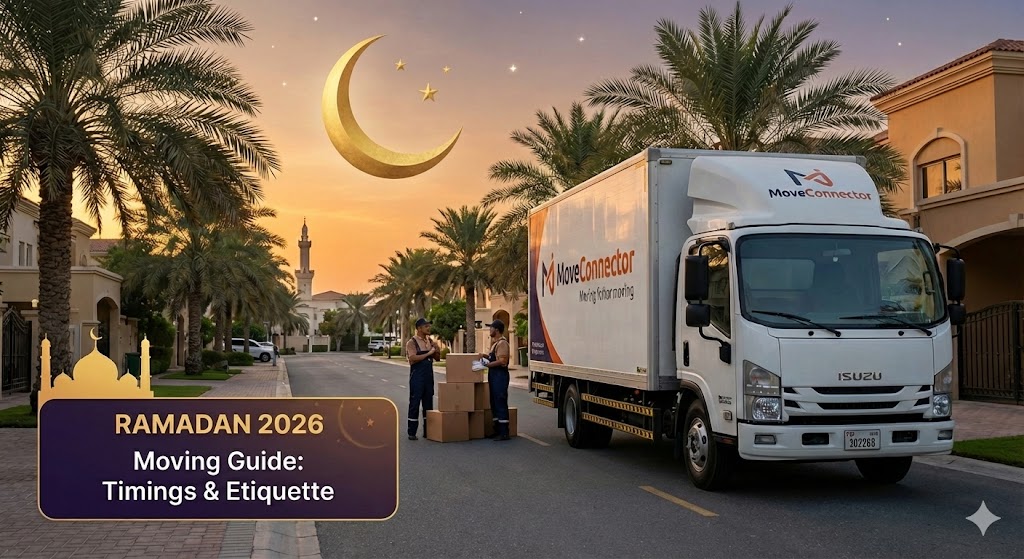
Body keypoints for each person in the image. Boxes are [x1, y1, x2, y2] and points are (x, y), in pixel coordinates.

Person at [406, 318, 440, 440]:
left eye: (429, 326)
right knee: (414, 403)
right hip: (417, 377)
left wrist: (436, 349)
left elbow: (437, 358)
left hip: (428, 376)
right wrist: (428, 353)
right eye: (426, 326)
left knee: (428, 404)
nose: (428, 328)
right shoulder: (412, 342)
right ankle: (412, 432)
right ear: (419, 328)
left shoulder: (430, 341)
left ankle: (428, 431)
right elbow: (413, 358)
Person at [479, 320, 511, 441]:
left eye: (491, 328)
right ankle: (497, 429)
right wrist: (483, 355)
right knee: (494, 402)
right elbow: (494, 357)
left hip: (500, 376)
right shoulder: (495, 343)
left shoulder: (502, 343)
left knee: (500, 401)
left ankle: (504, 432)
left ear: (496, 330)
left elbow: (502, 361)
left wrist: (487, 365)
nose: (489, 330)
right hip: (494, 375)